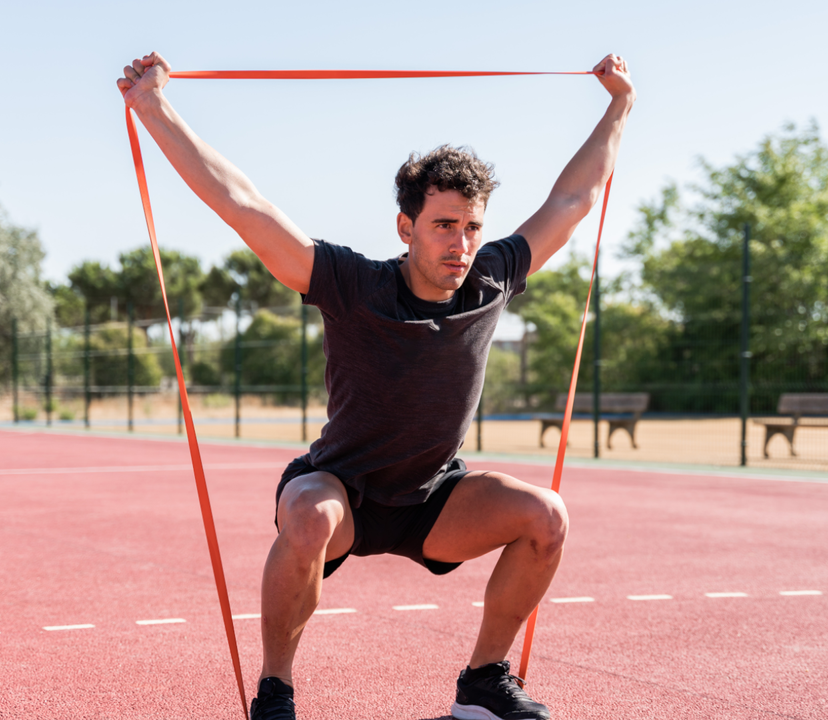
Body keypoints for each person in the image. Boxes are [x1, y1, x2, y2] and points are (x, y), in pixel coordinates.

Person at [118, 51, 634, 720]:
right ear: (406, 227)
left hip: (432, 499)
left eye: (472, 227)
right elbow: (242, 205)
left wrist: (618, 105)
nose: (461, 243)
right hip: (342, 491)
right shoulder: (352, 283)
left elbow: (573, 199)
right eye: (445, 225)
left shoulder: (491, 278)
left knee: (547, 517)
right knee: (306, 517)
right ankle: (275, 691)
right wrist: (154, 106)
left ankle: (482, 684)